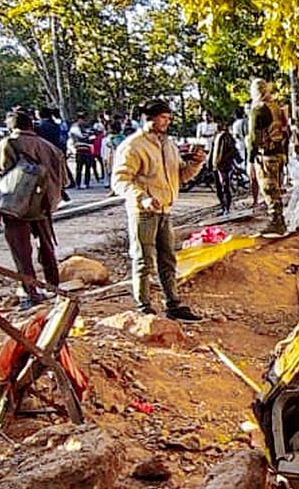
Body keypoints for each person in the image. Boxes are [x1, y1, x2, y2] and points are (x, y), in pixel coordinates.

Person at [110, 99, 205, 322]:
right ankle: (143, 306)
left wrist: (195, 164)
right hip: (143, 212)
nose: (167, 122)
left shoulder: (168, 144)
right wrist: (141, 197)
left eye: (168, 118)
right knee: (143, 259)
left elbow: (179, 175)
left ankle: (173, 304)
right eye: (163, 118)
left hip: (164, 210)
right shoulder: (133, 145)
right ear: (149, 118)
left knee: (168, 259)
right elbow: (119, 180)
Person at [0, 111, 66, 308]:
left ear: (11, 126)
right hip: (43, 206)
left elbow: (1, 176)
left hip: (16, 206)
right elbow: (64, 180)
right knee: (46, 247)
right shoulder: (50, 147)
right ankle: (54, 287)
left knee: (21, 251)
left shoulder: (8, 143)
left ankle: (30, 291)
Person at [248, 79, 291, 237]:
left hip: (266, 154)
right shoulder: (277, 107)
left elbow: (253, 137)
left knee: (268, 187)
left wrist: (250, 160)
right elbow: (287, 131)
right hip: (279, 152)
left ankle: (276, 221)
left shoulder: (258, 109)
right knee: (276, 187)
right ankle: (279, 220)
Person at [210, 118, 238, 216]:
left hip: (224, 167)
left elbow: (233, 151)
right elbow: (212, 151)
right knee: (218, 189)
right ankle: (223, 207)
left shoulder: (227, 137)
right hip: (215, 166)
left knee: (225, 187)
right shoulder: (216, 136)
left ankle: (227, 208)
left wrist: (224, 162)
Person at [69, 112, 96, 188]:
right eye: (83, 119)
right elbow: (80, 137)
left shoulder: (89, 128)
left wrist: (85, 138)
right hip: (79, 150)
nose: (84, 121)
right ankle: (78, 184)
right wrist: (86, 138)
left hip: (88, 150)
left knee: (88, 168)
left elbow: (92, 138)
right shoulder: (74, 128)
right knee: (79, 168)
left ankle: (86, 183)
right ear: (79, 119)